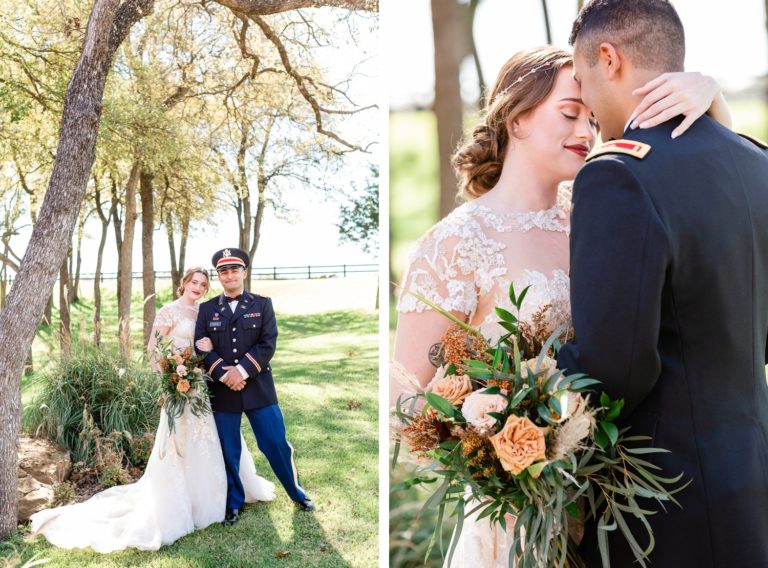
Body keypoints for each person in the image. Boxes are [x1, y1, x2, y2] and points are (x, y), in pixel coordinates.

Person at [392, 45, 733, 566]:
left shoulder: (601, 214)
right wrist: (485, 433)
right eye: (570, 113)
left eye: (593, 118)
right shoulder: (455, 243)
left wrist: (714, 102)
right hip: (515, 518)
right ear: (516, 116)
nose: (586, 132)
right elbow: (404, 397)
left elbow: (706, 192)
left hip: (617, 507)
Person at [556, 0, 768, 566]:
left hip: (661, 504)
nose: (588, 106)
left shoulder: (617, 175)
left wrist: (529, 379)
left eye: (582, 80)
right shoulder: (756, 162)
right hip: (753, 482)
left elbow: (614, 366)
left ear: (609, 57)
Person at [30, 267, 275, 553]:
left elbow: (211, 348)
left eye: (203, 284)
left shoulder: (206, 312)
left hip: (203, 389)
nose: (198, 287)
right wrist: (173, 377)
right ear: (183, 283)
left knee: (211, 440)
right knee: (179, 443)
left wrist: (206, 352)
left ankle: (222, 496)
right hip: (178, 388)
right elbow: (153, 351)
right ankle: (182, 503)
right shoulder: (169, 312)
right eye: (194, 282)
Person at [195, 247, 313, 526]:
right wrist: (225, 375)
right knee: (228, 449)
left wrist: (242, 371)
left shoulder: (262, 304)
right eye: (224, 271)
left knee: (275, 443)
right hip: (223, 390)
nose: (230, 275)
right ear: (219, 276)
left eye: (235, 269)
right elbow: (200, 347)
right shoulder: (207, 309)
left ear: (244, 272)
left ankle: (296, 494)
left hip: (259, 388)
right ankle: (233, 503)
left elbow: (267, 342)